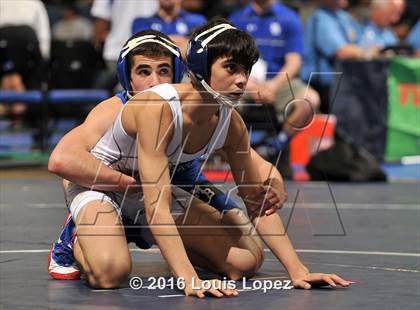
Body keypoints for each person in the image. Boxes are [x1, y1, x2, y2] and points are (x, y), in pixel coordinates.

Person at [50, 18, 351, 296]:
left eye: (246, 71)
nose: (242, 80)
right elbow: (157, 209)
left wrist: (298, 270)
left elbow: (256, 202)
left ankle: (141, 233)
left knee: (243, 263)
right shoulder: (158, 109)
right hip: (103, 188)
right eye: (231, 68)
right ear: (200, 67)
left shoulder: (230, 122)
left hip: (152, 194)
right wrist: (189, 278)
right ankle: (79, 233)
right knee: (109, 273)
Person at [47, 29, 265, 280]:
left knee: (247, 258)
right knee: (109, 273)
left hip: (172, 184)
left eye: (163, 71)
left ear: (177, 73)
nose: (154, 82)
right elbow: (61, 160)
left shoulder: (189, 105)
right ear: (126, 77)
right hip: (113, 191)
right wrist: (126, 182)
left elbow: (245, 152)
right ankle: (76, 238)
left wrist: (271, 179)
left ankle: (166, 239)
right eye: (144, 72)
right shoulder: (114, 109)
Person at [229, 0, 320, 150]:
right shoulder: (237, 19)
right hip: (245, 80)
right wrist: (251, 86)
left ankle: (276, 146)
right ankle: (229, 149)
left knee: (310, 100)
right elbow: (230, 60)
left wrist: (272, 86)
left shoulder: (290, 18)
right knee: (217, 99)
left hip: (279, 80)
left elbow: (294, 61)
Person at [300, 0, 365, 112]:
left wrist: (366, 50)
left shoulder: (344, 17)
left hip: (344, 84)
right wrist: (367, 52)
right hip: (323, 87)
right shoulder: (320, 18)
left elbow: (360, 43)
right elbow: (341, 52)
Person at [132, 0, 206, 57]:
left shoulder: (197, 21)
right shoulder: (141, 23)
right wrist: (183, 42)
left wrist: (157, 42)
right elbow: (143, 51)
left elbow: (199, 51)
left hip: (188, 74)